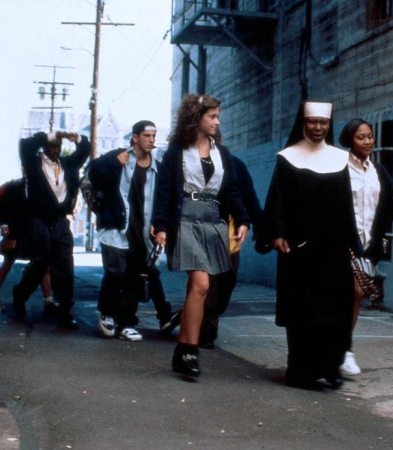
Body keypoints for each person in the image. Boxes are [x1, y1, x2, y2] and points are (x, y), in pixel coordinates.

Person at [257, 100, 358, 390]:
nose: (317, 127)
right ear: (303, 123)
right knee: (302, 311)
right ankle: (300, 371)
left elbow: (346, 205)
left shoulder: (340, 159)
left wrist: (353, 242)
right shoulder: (287, 158)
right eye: (312, 122)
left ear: (329, 125)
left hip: (333, 248)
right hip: (298, 247)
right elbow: (276, 200)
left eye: (323, 123)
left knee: (335, 308)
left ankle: (331, 366)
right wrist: (277, 233)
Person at [152, 94, 250, 377]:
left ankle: (182, 349)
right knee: (202, 284)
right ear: (196, 118)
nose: (218, 122)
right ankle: (190, 350)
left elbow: (231, 191)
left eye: (218, 116)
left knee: (196, 289)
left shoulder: (223, 153)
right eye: (213, 116)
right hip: (185, 219)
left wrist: (242, 218)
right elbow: (164, 191)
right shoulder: (176, 152)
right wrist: (161, 225)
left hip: (213, 222)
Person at [337, 118, 393, 377]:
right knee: (351, 292)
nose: (368, 141)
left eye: (370, 136)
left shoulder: (379, 171)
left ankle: (344, 349)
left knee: (355, 294)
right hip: (342, 242)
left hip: (368, 246)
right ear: (349, 141)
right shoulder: (339, 169)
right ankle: (339, 348)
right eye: (361, 137)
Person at [88, 120, 175, 341]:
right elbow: (93, 175)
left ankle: (127, 323)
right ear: (135, 137)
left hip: (142, 232)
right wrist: (113, 163)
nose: (152, 140)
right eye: (147, 136)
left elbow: (163, 201)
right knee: (115, 272)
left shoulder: (158, 168)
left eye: (154, 136)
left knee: (134, 278)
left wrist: (161, 227)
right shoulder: (118, 157)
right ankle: (107, 314)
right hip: (116, 228)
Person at [12, 130, 90, 329]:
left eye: (58, 147)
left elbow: (85, 150)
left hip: (61, 222)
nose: (55, 151)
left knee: (65, 267)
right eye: (52, 146)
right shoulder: (33, 163)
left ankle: (65, 312)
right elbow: (25, 145)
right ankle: (20, 294)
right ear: (45, 147)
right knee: (39, 264)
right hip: (39, 221)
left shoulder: (68, 164)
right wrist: (49, 136)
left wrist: (75, 138)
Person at [199, 154, 263, 349]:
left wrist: (259, 226)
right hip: (203, 232)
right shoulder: (192, 161)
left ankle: (199, 314)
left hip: (230, 235)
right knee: (209, 284)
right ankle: (207, 329)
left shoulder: (235, 164)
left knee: (228, 281)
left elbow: (249, 197)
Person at [0, 177, 55, 314]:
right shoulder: (12, 186)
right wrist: (3, 223)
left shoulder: (43, 185)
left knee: (44, 265)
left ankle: (48, 301)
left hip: (37, 231)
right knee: (7, 264)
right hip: (16, 230)